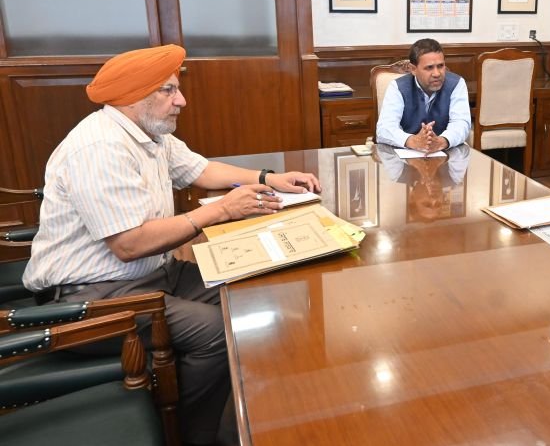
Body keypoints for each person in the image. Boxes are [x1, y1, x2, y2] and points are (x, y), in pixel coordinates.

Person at [22, 44, 321, 446]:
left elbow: (201, 170)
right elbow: (129, 244)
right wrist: (220, 211)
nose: (182, 100)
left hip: (150, 273)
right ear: (132, 97)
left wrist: (268, 178)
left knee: (251, 292)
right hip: (89, 296)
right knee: (216, 332)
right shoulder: (99, 147)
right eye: (168, 90)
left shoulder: (149, 132)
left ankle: (242, 404)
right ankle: (191, 433)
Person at [376, 38, 471, 153]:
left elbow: (461, 123)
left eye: (440, 66)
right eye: (429, 67)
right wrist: (413, 141)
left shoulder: (456, 84)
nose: (437, 73)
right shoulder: (397, 87)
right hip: (405, 155)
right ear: (413, 69)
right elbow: (384, 128)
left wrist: (441, 141)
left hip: (446, 153)